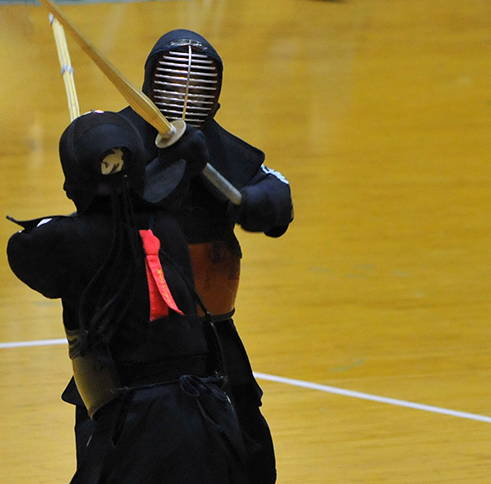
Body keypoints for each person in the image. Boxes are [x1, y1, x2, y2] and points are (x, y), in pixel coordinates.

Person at [65, 29, 294, 484]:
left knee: (245, 455)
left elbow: (276, 192)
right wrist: (171, 164)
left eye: (198, 83)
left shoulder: (219, 149)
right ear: (152, 81)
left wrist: (256, 201)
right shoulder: (115, 142)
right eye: (174, 81)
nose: (185, 92)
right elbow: (112, 209)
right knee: (116, 461)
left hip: (211, 334)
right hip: (129, 342)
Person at [7, 110, 249, 483]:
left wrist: (86, 204)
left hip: (133, 431)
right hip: (205, 420)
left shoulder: (64, 241)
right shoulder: (168, 227)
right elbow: (147, 199)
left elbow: (22, 249)